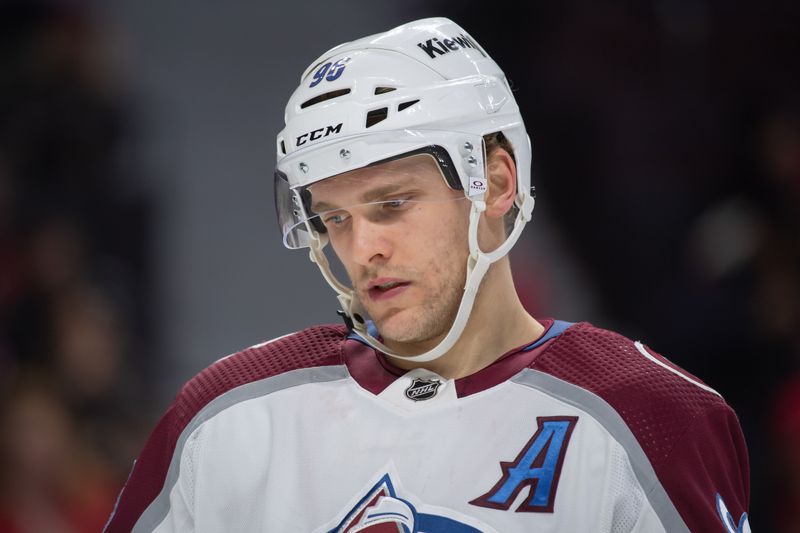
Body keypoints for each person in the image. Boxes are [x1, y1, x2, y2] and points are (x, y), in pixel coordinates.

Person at [104, 18, 751, 533]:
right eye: (333, 217)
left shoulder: (652, 417)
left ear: (497, 182)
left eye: (391, 204)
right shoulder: (225, 418)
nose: (363, 249)